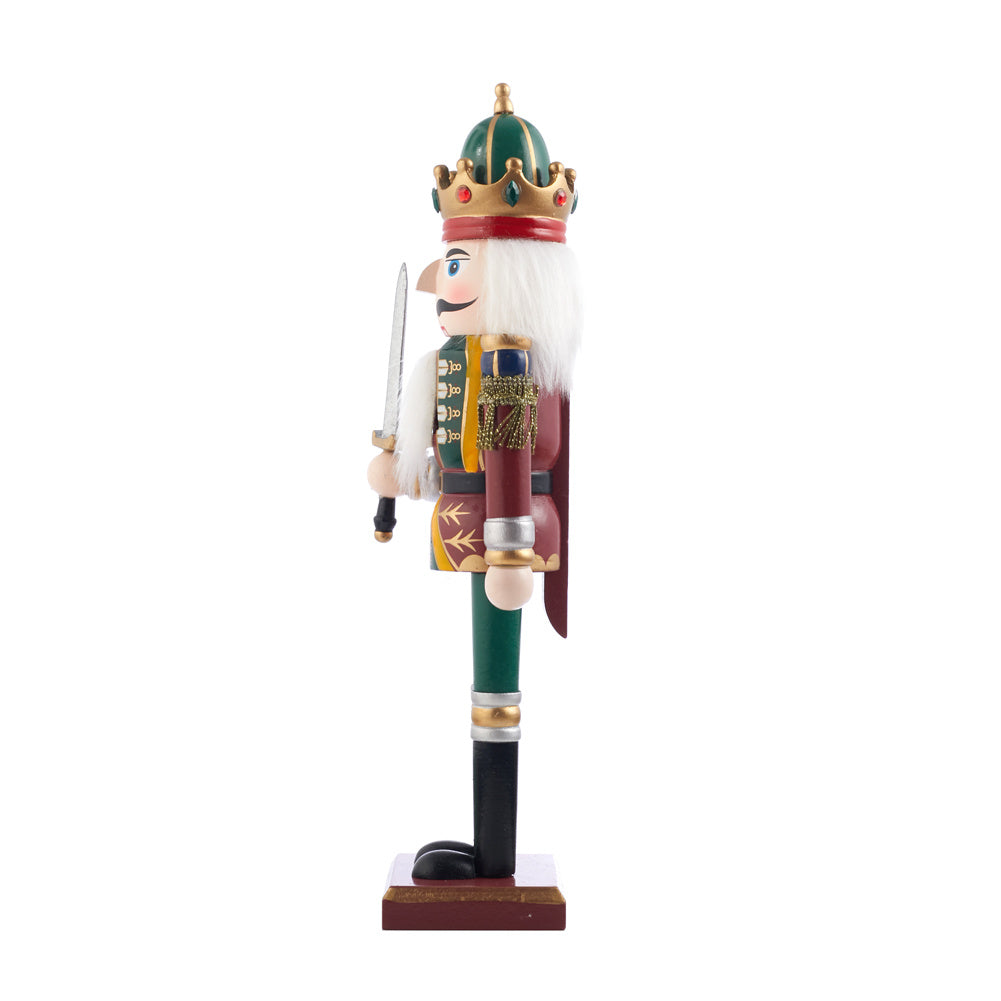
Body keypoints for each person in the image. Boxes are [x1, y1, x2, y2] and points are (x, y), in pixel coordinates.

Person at [368, 83, 582, 879]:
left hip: (505, 538)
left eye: (459, 263)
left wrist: (509, 553)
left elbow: (508, 463)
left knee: (496, 690)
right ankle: (488, 848)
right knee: (486, 689)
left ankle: (494, 851)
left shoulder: (508, 366)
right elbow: (454, 455)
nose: (442, 280)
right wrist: (401, 472)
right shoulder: (459, 361)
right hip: (477, 528)